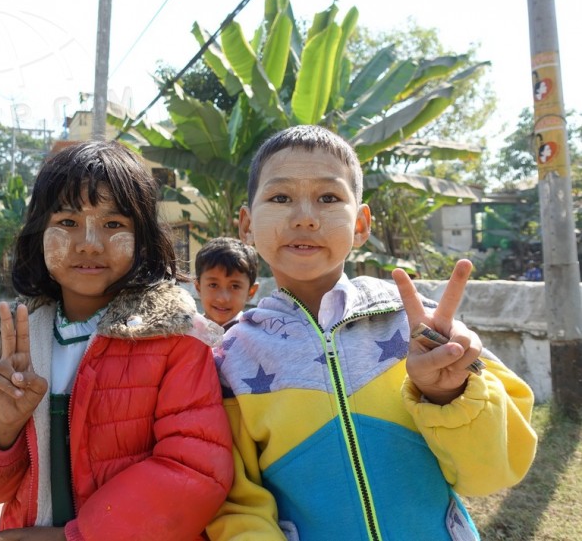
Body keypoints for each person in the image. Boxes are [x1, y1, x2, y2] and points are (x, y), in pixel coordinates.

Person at [206, 125, 537, 540]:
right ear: (247, 225)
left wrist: (448, 394)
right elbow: (236, 506)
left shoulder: (423, 328)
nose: (305, 217)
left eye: (329, 198)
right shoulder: (231, 359)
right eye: (280, 197)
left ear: (361, 225)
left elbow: (493, 472)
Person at [0, 140, 233, 541]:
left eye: (113, 224)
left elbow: (196, 471)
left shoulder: (178, 340)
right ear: (38, 234)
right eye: (68, 222)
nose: (90, 242)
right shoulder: (10, 340)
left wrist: (78, 537)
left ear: (143, 240)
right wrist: (2, 425)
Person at [194, 237, 259, 331]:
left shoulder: (255, 338)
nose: (222, 299)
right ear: (198, 287)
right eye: (213, 285)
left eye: (235, 286)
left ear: (251, 292)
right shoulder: (186, 333)